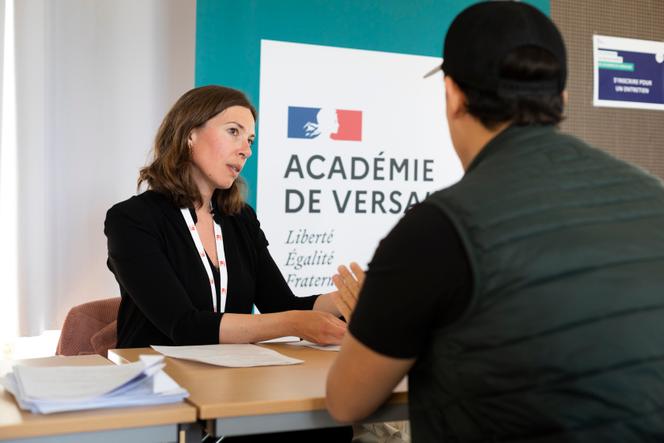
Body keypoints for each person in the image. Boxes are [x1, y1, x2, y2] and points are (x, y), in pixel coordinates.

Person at [327, 2, 664, 442]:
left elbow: (345, 401)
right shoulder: (653, 194)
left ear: (452, 95)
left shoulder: (436, 228)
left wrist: (377, 320)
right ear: (561, 99)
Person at [105, 85, 353, 441]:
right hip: (162, 397)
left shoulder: (240, 219)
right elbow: (184, 326)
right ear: (189, 133)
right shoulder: (131, 220)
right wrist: (296, 322)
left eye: (250, 140)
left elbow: (281, 304)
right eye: (233, 132)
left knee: (329, 424)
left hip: (233, 386)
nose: (245, 150)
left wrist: (346, 298)